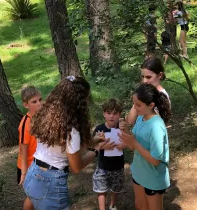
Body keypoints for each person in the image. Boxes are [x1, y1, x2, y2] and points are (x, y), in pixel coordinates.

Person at [23, 76, 102, 210]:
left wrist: (93, 141)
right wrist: (96, 151)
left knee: (32, 201)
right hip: (51, 182)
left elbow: (65, 147)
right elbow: (76, 166)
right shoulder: (71, 130)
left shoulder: (46, 115)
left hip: (34, 172)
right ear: (78, 103)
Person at [118, 84, 171, 210]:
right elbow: (133, 147)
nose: (135, 108)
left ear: (151, 105)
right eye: (134, 104)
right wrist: (126, 131)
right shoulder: (141, 118)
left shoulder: (156, 126)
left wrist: (134, 143)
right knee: (140, 207)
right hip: (139, 173)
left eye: (138, 105)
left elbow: (155, 160)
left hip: (153, 177)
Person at [92, 99, 127, 210]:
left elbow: (131, 142)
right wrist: (101, 144)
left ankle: (112, 205)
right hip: (103, 166)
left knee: (116, 188)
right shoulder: (99, 129)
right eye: (108, 113)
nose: (111, 116)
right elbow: (92, 145)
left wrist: (124, 144)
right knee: (101, 190)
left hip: (118, 166)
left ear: (119, 114)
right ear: (104, 114)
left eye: (115, 113)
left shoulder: (122, 129)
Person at [17, 85, 42, 210]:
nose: (39, 104)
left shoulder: (39, 118)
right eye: (34, 102)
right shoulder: (25, 124)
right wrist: (24, 173)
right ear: (26, 105)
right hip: (28, 168)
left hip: (40, 164)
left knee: (39, 195)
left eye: (40, 100)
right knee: (32, 198)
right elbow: (23, 149)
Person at [127, 57, 170, 126]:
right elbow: (130, 121)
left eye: (148, 77)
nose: (144, 81)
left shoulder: (161, 96)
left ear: (160, 75)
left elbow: (155, 126)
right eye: (143, 77)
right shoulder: (143, 93)